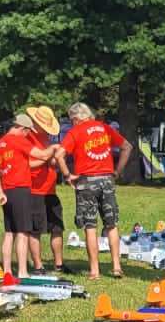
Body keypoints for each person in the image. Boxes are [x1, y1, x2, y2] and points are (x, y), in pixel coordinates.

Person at [60, 103, 132, 279]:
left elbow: (59, 154)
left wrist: (68, 175)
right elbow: (127, 146)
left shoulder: (75, 132)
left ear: (76, 118)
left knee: (90, 226)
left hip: (86, 181)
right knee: (111, 225)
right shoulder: (104, 128)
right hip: (107, 179)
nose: (71, 123)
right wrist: (117, 171)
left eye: (71, 120)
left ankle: (94, 271)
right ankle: (116, 267)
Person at [0, 113, 36, 279]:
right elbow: (40, 155)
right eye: (28, 131)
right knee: (23, 232)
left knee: (9, 233)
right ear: (22, 128)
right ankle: (22, 271)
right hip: (20, 188)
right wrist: (54, 150)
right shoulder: (18, 140)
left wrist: (0, 192)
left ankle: (7, 271)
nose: (29, 134)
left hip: (7, 191)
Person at [25, 104, 72, 273]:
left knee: (57, 228)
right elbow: (26, 165)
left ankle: (59, 264)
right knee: (35, 230)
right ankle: (38, 266)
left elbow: (49, 159)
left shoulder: (45, 138)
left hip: (50, 190)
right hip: (34, 191)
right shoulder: (27, 139)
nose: (46, 130)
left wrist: (54, 161)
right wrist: (46, 157)